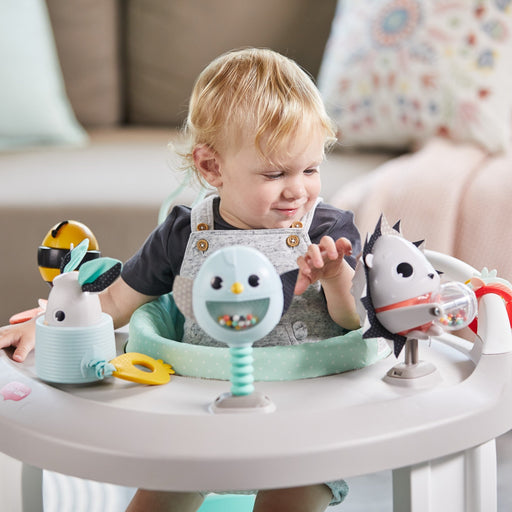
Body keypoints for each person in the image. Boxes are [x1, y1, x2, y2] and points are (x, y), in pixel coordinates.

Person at [0, 48, 361, 511]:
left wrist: (334, 276)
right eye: (275, 173)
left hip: (303, 425)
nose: (298, 189)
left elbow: (355, 322)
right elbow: (112, 303)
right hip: (197, 422)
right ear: (212, 167)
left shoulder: (328, 233)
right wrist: (52, 322)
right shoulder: (184, 233)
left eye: (310, 169)